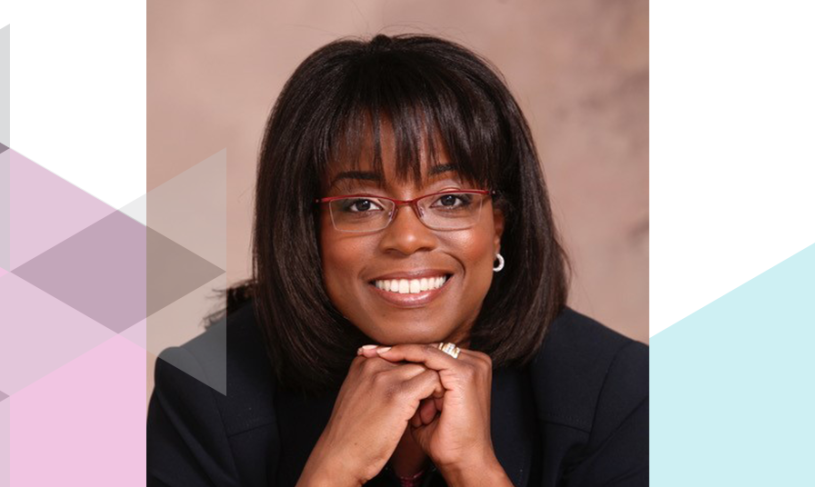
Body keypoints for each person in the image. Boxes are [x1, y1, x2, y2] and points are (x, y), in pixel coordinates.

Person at [147, 34, 648, 487]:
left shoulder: (617, 391)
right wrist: (335, 468)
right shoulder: (205, 391)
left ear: (498, 224)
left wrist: (474, 470)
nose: (407, 239)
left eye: (450, 199)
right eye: (360, 205)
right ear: (308, 231)